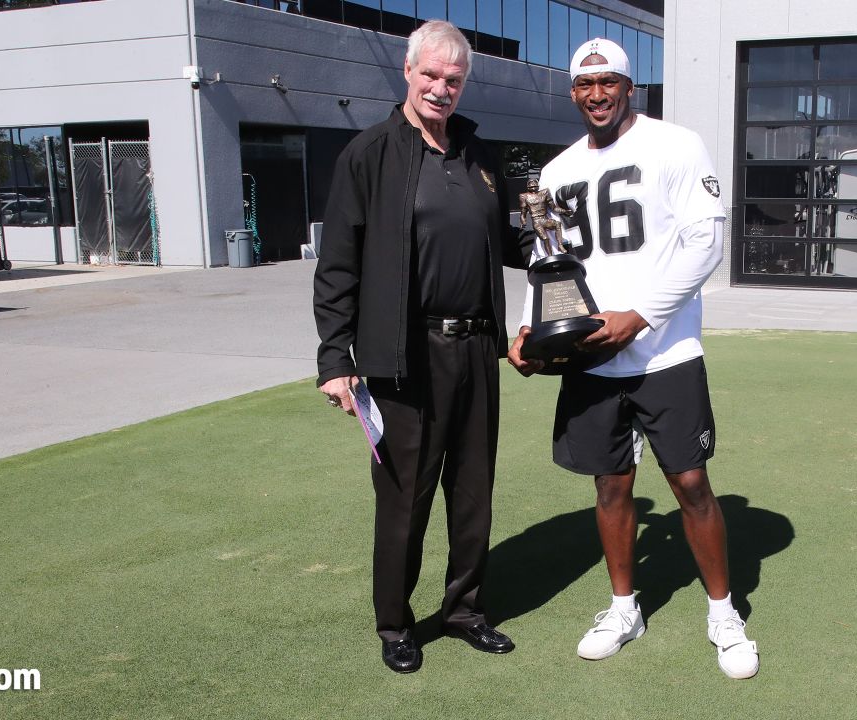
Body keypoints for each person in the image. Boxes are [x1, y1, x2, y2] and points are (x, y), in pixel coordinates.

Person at [506, 38, 758, 679]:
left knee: (691, 484)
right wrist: (527, 330)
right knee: (611, 486)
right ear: (573, 92)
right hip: (591, 357)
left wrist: (639, 317)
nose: (597, 94)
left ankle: (724, 611)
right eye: (585, 84)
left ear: (628, 86)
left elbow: (706, 244)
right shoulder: (559, 171)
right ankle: (625, 607)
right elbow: (546, 264)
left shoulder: (675, 144)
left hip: (665, 350)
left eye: (608, 82)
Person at [312, 20, 531, 674]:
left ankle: (464, 609)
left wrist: (560, 243)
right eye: (431, 75)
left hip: (475, 350)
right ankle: (395, 623)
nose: (441, 88)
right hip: (402, 356)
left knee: (473, 492)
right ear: (408, 72)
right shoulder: (369, 154)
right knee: (404, 498)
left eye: (453, 80)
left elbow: (510, 243)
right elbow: (338, 265)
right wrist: (335, 360)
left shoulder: (480, 157)